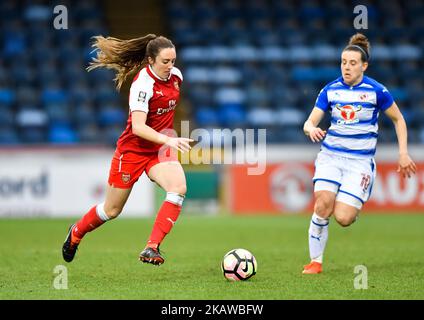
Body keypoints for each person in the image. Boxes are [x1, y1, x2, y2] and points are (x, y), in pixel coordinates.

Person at [62, 34, 193, 266]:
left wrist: (165, 140)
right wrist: (168, 139)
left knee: (178, 188)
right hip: (132, 151)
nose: (170, 66)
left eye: (173, 61)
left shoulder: (176, 77)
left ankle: (152, 247)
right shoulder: (142, 85)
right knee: (111, 210)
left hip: (159, 149)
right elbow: (139, 128)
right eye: (165, 61)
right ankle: (76, 232)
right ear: (151, 60)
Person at [302, 33, 417, 274]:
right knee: (323, 204)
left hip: (359, 162)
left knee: (343, 218)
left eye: (353, 63)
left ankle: (352, 205)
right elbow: (309, 122)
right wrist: (311, 129)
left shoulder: (377, 91)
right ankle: (315, 262)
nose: (347, 67)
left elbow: (399, 120)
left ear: (364, 65)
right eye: (344, 62)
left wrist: (403, 153)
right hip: (330, 156)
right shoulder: (330, 90)